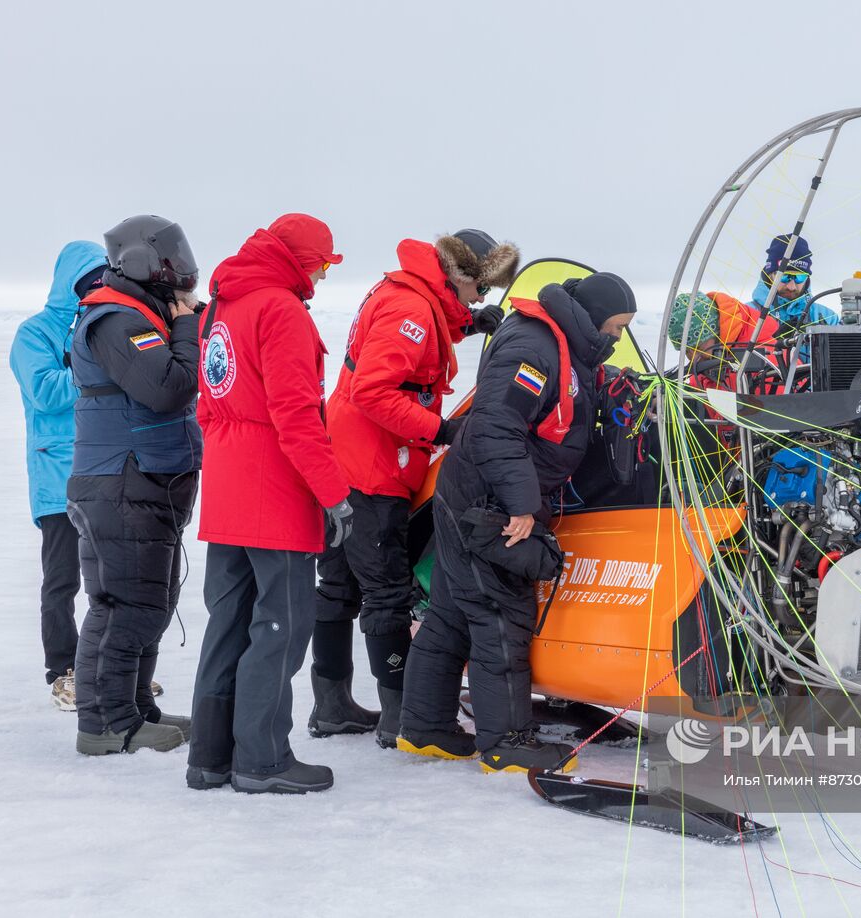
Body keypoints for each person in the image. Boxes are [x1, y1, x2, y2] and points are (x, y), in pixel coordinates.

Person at [399, 272, 637, 771]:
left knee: (449, 614)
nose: (616, 339)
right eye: (615, 328)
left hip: (469, 491)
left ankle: (425, 729)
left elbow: (554, 406)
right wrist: (522, 505)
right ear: (593, 319)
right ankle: (507, 743)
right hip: (489, 502)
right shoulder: (534, 349)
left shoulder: (559, 341)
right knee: (501, 614)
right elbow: (494, 428)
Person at [315, 230, 518, 747]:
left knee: (338, 585)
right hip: (373, 464)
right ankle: (399, 712)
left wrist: (470, 325)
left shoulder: (409, 290)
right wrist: (441, 430)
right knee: (385, 588)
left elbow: (422, 338)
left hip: (343, 454)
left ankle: (331, 703)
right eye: (481, 290)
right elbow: (376, 390)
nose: (483, 298)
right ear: (462, 274)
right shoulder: (411, 308)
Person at [186, 214, 353, 794]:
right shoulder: (279, 310)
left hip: (229, 487)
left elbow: (207, 404)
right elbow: (297, 416)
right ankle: (262, 758)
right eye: (324, 264)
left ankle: (209, 758)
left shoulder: (220, 307)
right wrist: (333, 493)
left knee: (228, 622)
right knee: (281, 625)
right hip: (274, 492)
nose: (323, 276)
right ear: (300, 258)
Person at [68, 215, 202, 755]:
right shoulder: (119, 322)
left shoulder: (139, 316)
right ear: (144, 261)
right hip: (123, 482)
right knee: (131, 606)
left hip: (136, 479)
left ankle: (135, 707)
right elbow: (169, 387)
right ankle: (109, 723)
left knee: (147, 600)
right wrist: (189, 327)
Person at [9, 241, 108, 709]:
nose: (100, 287)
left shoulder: (95, 325)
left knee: (108, 581)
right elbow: (47, 393)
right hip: (56, 477)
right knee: (63, 580)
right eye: (92, 280)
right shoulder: (34, 334)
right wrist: (97, 368)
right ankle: (63, 672)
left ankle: (107, 669)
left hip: (102, 471)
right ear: (71, 283)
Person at [750, 234, 838, 350]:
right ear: (770, 275)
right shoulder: (748, 315)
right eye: (784, 276)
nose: (791, 286)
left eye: (799, 277)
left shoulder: (827, 318)